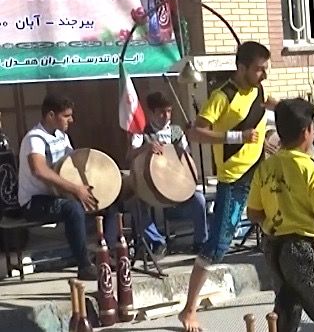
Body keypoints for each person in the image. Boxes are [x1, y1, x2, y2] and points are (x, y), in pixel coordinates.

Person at [179, 41, 277, 332]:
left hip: (260, 173)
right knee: (218, 246)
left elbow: (262, 114)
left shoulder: (258, 90)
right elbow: (196, 132)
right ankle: (189, 310)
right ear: (242, 67)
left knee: (278, 229)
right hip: (234, 181)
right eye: (259, 69)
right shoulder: (223, 96)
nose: (264, 75)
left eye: (265, 69)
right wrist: (235, 138)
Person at [248, 98, 314, 332]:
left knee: (286, 309)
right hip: (305, 249)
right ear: (307, 131)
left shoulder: (265, 168)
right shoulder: (312, 170)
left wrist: (274, 222)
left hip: (274, 247)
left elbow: (253, 212)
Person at [109, 92, 208, 256]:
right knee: (135, 204)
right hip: (149, 186)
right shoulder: (142, 132)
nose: (166, 116)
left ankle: (200, 242)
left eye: (169, 111)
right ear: (152, 113)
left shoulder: (176, 132)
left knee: (199, 199)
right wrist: (146, 147)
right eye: (162, 112)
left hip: (174, 184)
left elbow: (186, 158)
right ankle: (158, 241)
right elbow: (130, 155)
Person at [17, 94, 98, 280]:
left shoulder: (62, 136)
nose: (71, 120)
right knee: (73, 209)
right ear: (51, 116)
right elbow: (39, 170)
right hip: (34, 202)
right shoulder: (34, 138)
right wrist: (75, 190)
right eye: (66, 116)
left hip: (57, 195)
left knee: (102, 200)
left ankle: (104, 252)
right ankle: (84, 265)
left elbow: (72, 163)